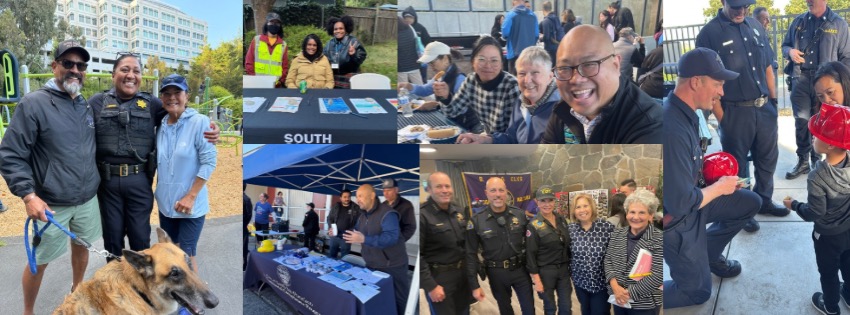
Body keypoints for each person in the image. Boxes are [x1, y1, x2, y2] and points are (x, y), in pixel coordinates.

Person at [0, 40, 101, 315]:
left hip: (87, 199)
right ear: (54, 66)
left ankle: (76, 292)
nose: (74, 69)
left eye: (80, 65)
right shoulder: (34, 103)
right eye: (67, 63)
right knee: (39, 260)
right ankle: (28, 311)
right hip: (52, 204)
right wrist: (29, 196)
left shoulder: (84, 105)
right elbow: (10, 154)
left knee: (82, 246)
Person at [663, 47, 762, 308]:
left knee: (750, 203)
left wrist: (715, 179)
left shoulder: (686, 113)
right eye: (718, 84)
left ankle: (706, 254)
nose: (722, 92)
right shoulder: (672, 128)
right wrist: (719, 187)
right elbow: (681, 203)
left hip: (694, 204)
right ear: (696, 82)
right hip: (677, 223)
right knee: (697, 293)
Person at [697, 0, 788, 234]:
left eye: (745, 6)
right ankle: (744, 208)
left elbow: (768, 64)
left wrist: (774, 101)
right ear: (722, 2)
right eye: (735, 5)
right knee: (737, 167)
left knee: (767, 159)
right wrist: (723, 118)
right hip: (735, 112)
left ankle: (764, 200)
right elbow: (707, 81)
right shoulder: (709, 33)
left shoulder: (755, 26)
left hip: (764, 108)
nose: (741, 11)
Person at [542, 25, 662, 144]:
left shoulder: (649, 126)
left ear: (616, 65)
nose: (576, 79)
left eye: (589, 64)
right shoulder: (563, 110)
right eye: (564, 68)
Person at [784, 101, 850, 315]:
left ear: (830, 144)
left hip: (828, 236)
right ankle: (848, 295)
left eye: (817, 134)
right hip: (849, 229)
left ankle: (830, 307)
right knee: (848, 264)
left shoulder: (817, 175)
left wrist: (794, 205)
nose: (812, 137)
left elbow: (815, 212)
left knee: (828, 273)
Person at [154, 74, 217, 273]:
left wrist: (190, 196)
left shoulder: (199, 122)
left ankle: (194, 301)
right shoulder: (160, 126)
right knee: (171, 253)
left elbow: (209, 161)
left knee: (186, 255)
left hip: (191, 206)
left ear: (186, 96)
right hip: (166, 205)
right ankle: (177, 296)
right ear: (161, 98)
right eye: (167, 93)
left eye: (177, 93)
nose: (172, 97)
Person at [783, 0, 850, 179]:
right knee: (802, 121)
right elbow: (785, 46)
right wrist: (790, 52)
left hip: (826, 83)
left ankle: (818, 159)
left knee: (826, 121)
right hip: (802, 79)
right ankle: (803, 161)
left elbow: (846, 58)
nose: (808, 1)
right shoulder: (799, 22)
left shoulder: (838, 24)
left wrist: (839, 83)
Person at [456, 46, 559, 144]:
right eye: (522, 74)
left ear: (550, 77)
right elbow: (511, 138)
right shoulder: (520, 102)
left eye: (535, 73)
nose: (527, 81)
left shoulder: (562, 111)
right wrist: (485, 139)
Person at [466, 177, 535, 315]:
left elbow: (532, 245)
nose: (497, 194)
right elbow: (470, 254)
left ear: (506, 192)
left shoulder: (519, 215)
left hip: (520, 270)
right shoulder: (477, 220)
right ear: (486, 193)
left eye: (501, 190)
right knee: (505, 309)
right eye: (493, 190)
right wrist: (474, 284)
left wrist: (536, 272)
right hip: (496, 272)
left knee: (529, 309)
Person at [344, 184, 410, 315]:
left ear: (372, 195)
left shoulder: (388, 213)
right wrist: (338, 233)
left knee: (398, 299)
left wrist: (365, 239)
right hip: (372, 264)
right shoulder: (363, 215)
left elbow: (391, 238)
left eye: (361, 196)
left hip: (393, 266)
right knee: (377, 297)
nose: (358, 199)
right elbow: (355, 232)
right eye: (357, 196)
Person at [442, 36, 520, 134]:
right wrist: (445, 98)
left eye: (494, 60)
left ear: (501, 64)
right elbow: (452, 112)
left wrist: (485, 140)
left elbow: (514, 132)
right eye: (482, 59)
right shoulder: (471, 81)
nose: (488, 66)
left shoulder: (511, 86)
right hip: (488, 137)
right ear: (472, 62)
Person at [420, 172, 473, 314]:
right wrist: (431, 286)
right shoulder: (423, 216)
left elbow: (466, 245)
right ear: (429, 190)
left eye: (447, 186)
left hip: (462, 275)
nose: (444, 190)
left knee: (464, 311)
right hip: (439, 278)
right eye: (439, 186)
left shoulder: (459, 211)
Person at [604, 190, 663, 314]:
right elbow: (608, 260)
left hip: (644, 304)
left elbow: (658, 274)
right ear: (626, 213)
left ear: (651, 215)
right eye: (632, 212)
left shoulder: (659, 238)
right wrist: (615, 287)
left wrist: (627, 293)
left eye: (642, 212)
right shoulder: (617, 234)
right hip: (618, 300)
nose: (635, 217)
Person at [526, 185, 572, 315]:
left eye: (550, 200)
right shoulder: (533, 225)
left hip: (563, 270)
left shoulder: (562, 220)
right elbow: (530, 255)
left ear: (554, 201)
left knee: (566, 307)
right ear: (537, 202)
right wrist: (537, 280)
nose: (547, 204)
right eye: (543, 201)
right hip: (545, 272)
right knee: (550, 309)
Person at [567, 193, 614, 315]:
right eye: (578, 207)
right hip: (580, 283)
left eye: (585, 206)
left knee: (600, 312)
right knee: (585, 311)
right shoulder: (570, 229)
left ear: (592, 207)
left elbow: (615, 254)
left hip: (601, 284)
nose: (582, 210)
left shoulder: (606, 227)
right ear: (574, 211)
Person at [398, 41, 466, 108]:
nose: (431, 67)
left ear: (445, 59)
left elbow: (463, 107)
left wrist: (437, 105)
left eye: (432, 62)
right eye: (429, 63)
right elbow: (425, 90)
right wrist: (408, 86)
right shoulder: (440, 75)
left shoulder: (459, 79)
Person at [245, 12, 288, 88]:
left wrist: (280, 81)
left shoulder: (283, 44)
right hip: (257, 84)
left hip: (276, 86)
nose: (274, 25)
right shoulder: (257, 40)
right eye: (271, 22)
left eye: (277, 23)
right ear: (266, 24)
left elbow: (284, 67)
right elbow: (249, 61)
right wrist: (253, 79)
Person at [324, 16, 368, 89]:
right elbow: (323, 58)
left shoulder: (353, 41)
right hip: (334, 77)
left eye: (341, 28)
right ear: (332, 30)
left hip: (350, 77)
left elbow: (360, 59)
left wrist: (353, 55)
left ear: (346, 29)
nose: (338, 31)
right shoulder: (329, 43)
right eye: (335, 29)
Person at [503, 0, 539, 75]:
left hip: (514, 54)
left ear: (513, 2)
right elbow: (536, 34)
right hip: (530, 54)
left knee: (514, 79)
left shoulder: (511, 15)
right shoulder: (533, 15)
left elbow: (505, 33)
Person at [327, 189, 361, 259]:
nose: (347, 199)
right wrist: (331, 227)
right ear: (341, 198)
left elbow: (360, 222)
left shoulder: (356, 208)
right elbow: (329, 218)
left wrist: (353, 231)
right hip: (334, 235)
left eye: (348, 197)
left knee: (345, 257)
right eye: (345, 197)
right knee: (331, 255)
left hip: (346, 236)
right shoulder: (336, 206)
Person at [403, 6, 433, 82]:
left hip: (420, 58)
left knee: (422, 78)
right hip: (407, 59)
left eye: (410, 17)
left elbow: (427, 41)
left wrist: (428, 55)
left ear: (415, 18)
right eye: (406, 17)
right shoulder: (402, 28)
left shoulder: (420, 28)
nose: (408, 19)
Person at [398, 16, 424, 87]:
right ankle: (427, 98)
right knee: (420, 88)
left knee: (402, 92)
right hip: (414, 64)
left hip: (401, 68)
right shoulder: (410, 28)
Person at [243, 186, 253, 271]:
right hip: (242, 227)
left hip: (243, 227)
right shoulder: (246, 199)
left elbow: (248, 215)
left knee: (243, 247)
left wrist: (244, 224)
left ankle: (244, 264)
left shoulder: (246, 199)